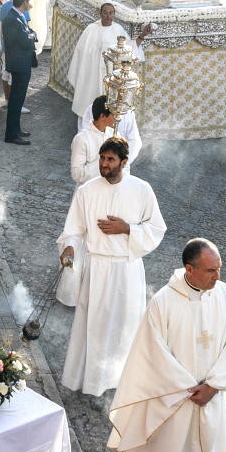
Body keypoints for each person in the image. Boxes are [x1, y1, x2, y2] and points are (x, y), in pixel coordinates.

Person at [107, 238, 226, 452]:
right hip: (173, 400)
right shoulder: (163, 302)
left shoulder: (225, 295)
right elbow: (152, 353)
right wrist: (187, 388)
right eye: (210, 271)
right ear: (189, 269)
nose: (217, 277)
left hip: (210, 398)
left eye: (218, 269)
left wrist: (214, 385)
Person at [57, 138, 166, 398]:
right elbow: (73, 230)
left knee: (123, 327)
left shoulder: (141, 190)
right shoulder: (87, 190)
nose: (104, 164)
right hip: (97, 269)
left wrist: (127, 228)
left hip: (126, 270)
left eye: (110, 160)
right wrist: (70, 247)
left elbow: (157, 228)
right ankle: (90, 381)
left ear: (124, 162)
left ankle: (121, 381)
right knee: (92, 326)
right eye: (101, 159)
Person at [57, 96, 119, 306]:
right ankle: (71, 295)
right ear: (103, 115)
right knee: (79, 241)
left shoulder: (113, 134)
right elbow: (76, 173)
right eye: (112, 113)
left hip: (108, 196)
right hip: (86, 196)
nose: (116, 117)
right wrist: (102, 165)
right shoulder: (82, 139)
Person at [67, 2, 146, 128]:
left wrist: (142, 36)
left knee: (111, 109)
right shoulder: (90, 30)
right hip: (91, 77)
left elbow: (129, 49)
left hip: (111, 80)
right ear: (100, 14)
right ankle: (87, 137)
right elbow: (80, 54)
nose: (108, 16)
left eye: (111, 13)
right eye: (105, 13)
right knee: (90, 105)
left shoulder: (118, 29)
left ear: (114, 15)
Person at [1, 0, 37, 145]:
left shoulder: (17, 16)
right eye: (28, 0)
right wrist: (31, 36)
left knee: (18, 99)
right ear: (24, 2)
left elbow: (31, 33)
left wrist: (31, 35)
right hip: (19, 64)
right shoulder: (13, 19)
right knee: (16, 100)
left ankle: (16, 129)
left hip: (21, 63)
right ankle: (12, 134)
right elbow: (26, 40)